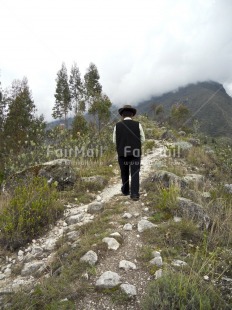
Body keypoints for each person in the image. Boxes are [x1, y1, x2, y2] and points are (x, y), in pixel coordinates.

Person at [113, 105, 145, 201]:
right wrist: (136, 145)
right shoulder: (138, 124)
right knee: (135, 172)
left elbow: (114, 140)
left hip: (122, 153)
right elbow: (143, 139)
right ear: (132, 115)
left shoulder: (117, 126)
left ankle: (126, 190)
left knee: (124, 172)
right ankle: (134, 194)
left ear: (122, 115)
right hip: (135, 153)